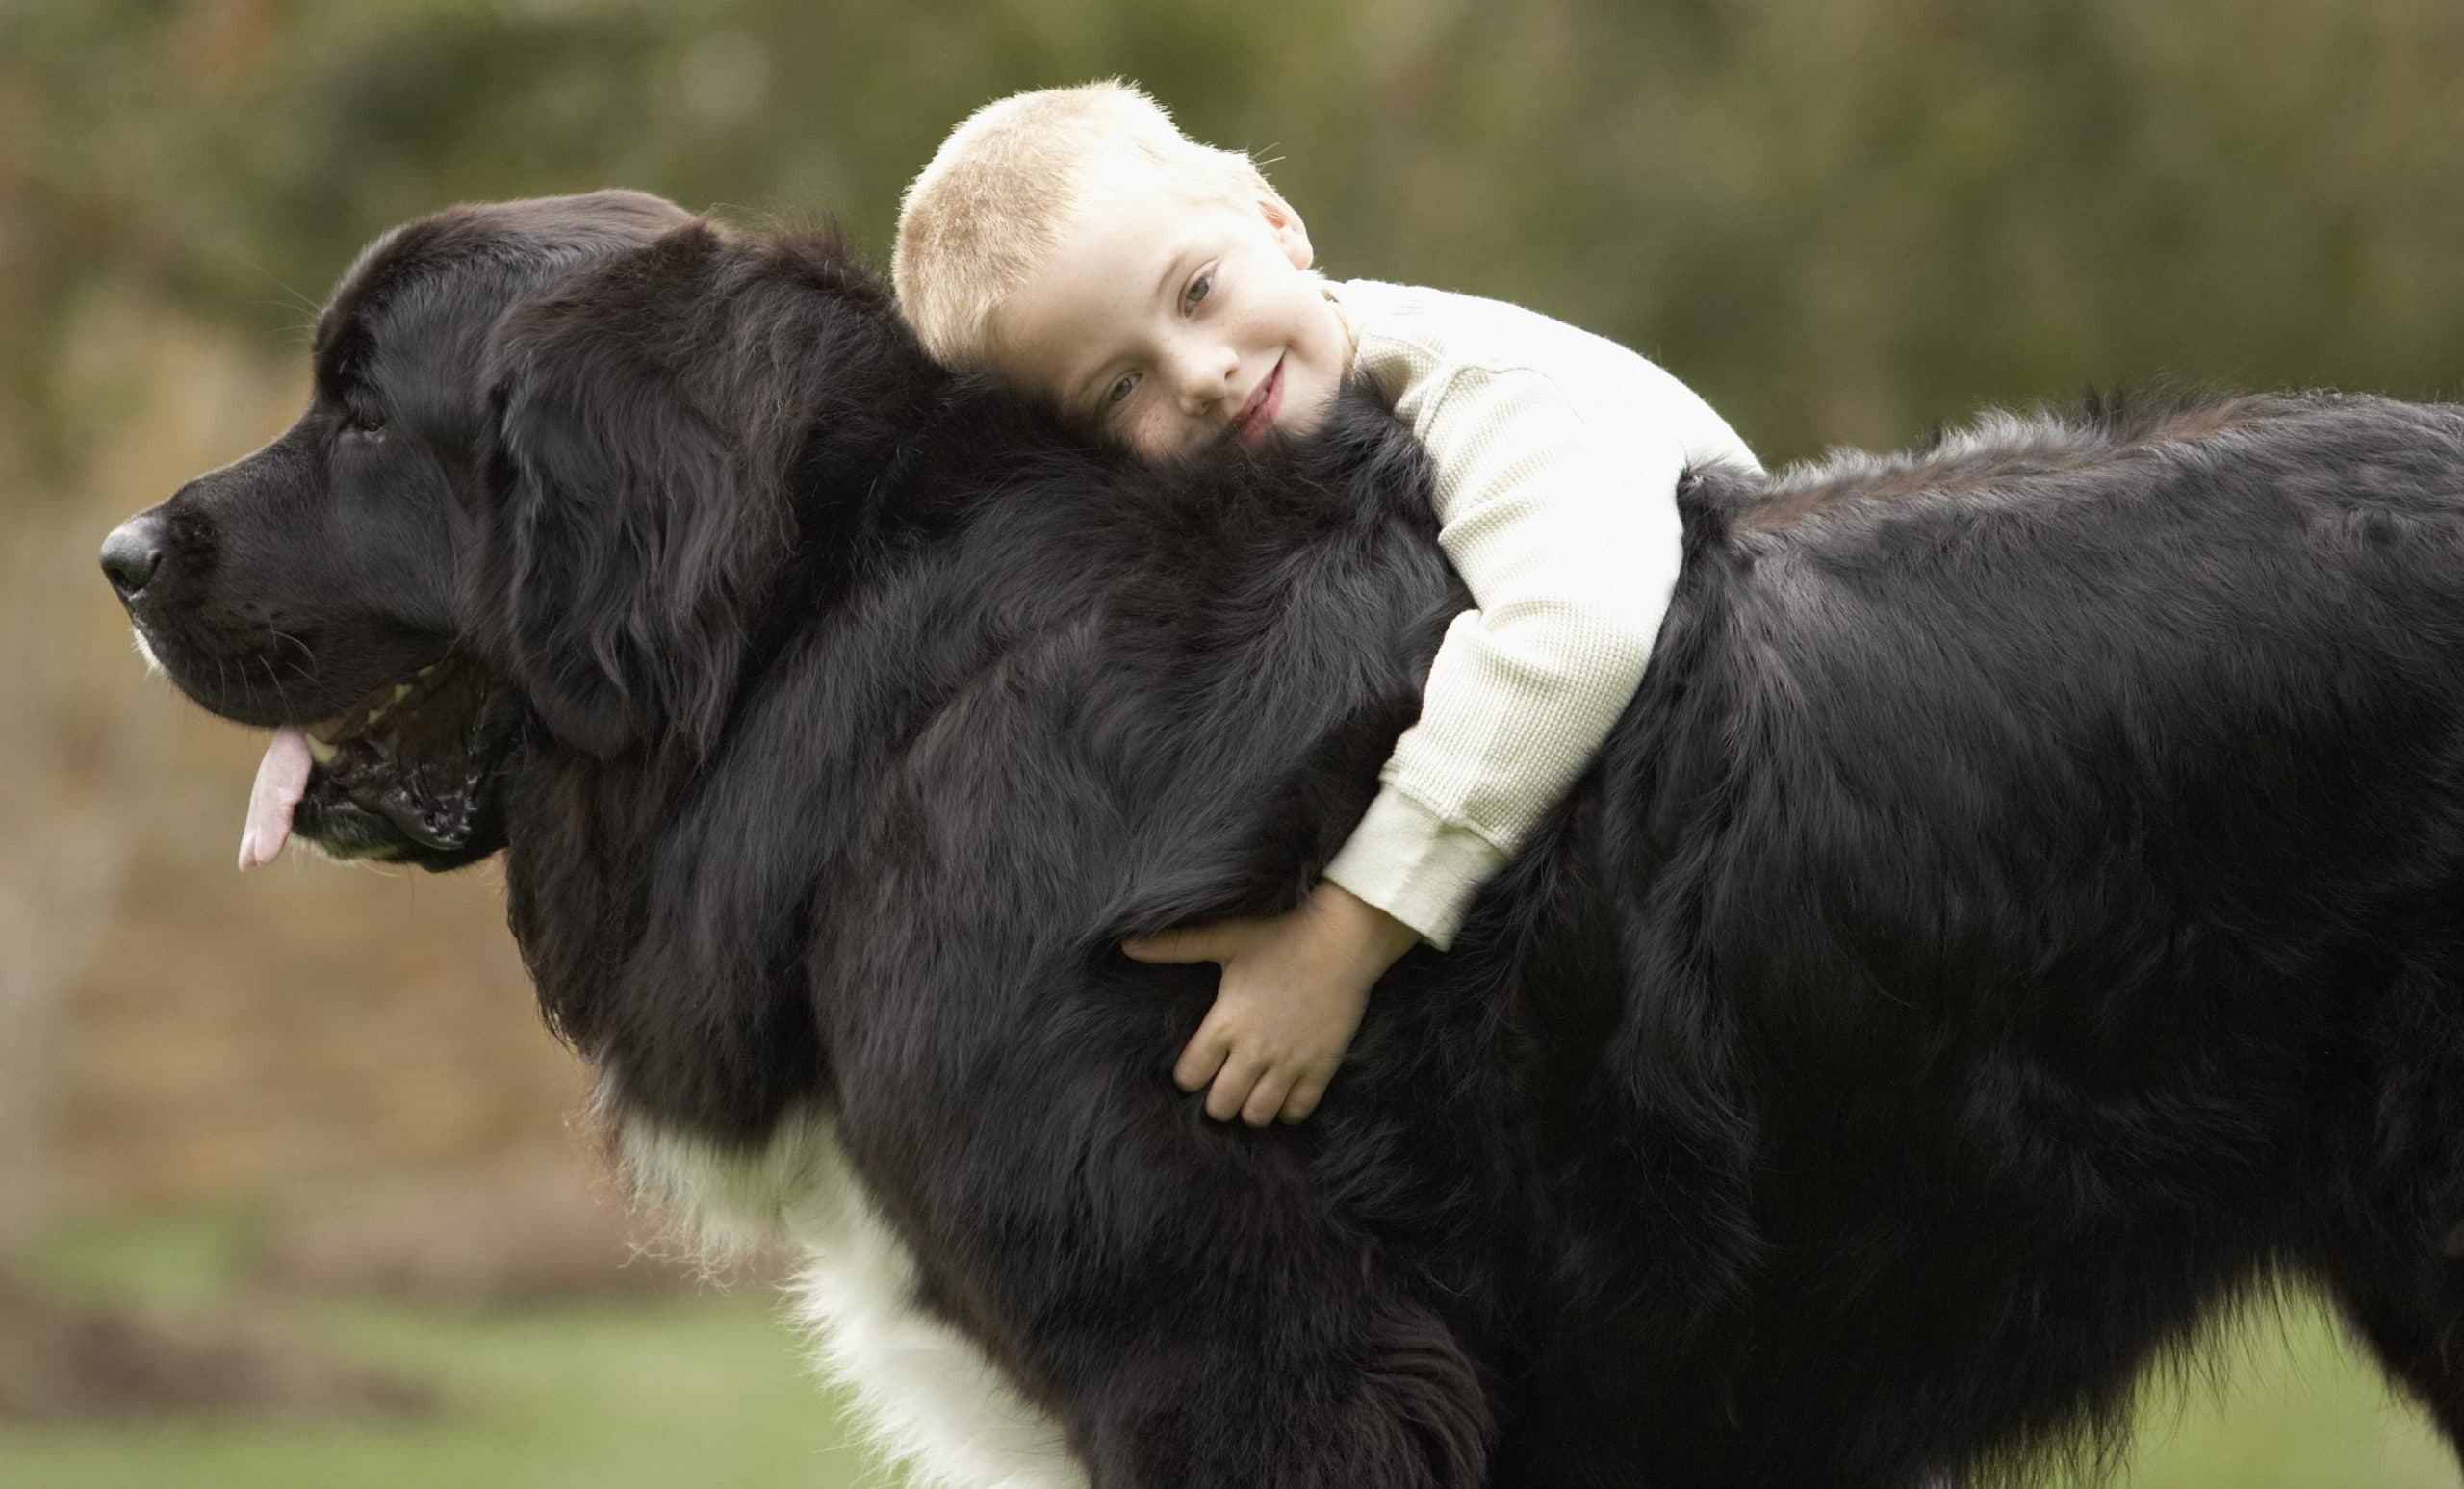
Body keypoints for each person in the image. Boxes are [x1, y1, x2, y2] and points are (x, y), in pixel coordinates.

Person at [892, 80, 1760, 1130]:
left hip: (1763, 793)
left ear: (1274, 219)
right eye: (1119, 390)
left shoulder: (1478, 387)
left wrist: (1344, 932)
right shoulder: (1267, 475)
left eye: (1198, 290)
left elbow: (1575, 634)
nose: (1200, 374)